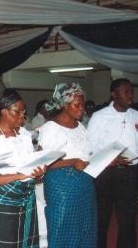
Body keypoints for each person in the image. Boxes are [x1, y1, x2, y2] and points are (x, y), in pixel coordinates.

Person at [0, 88, 46, 248]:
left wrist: (38, 173)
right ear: (4, 111)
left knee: (26, 242)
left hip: (26, 198)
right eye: (18, 111)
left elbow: (30, 168)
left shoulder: (24, 135)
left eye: (24, 110)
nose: (23, 115)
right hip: (3, 200)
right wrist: (17, 176)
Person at [87, 78, 138, 248]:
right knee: (102, 220)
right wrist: (108, 158)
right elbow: (91, 146)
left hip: (129, 173)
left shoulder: (136, 116)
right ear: (114, 94)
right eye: (126, 91)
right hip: (106, 173)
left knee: (128, 221)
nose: (130, 95)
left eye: (131, 91)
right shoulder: (100, 117)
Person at [38, 83, 97, 248]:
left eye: (82, 105)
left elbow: (86, 154)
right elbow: (42, 160)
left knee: (86, 231)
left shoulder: (81, 128)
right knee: (64, 233)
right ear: (64, 104)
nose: (81, 109)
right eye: (76, 105)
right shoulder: (51, 128)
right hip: (62, 188)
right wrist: (70, 162)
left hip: (85, 185)